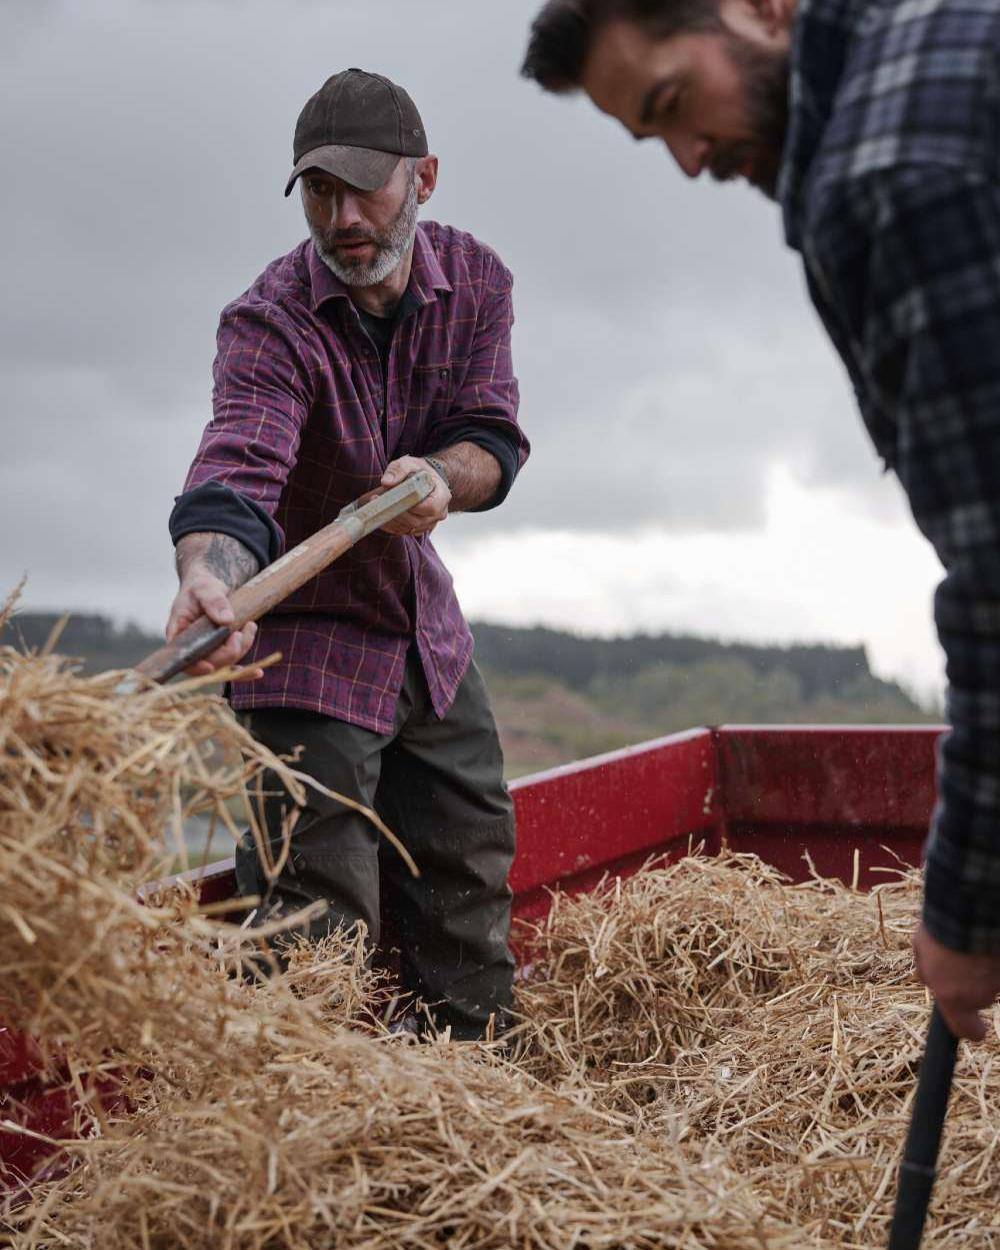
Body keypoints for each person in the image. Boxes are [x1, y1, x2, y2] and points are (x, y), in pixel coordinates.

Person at [521, 0, 1000, 1041]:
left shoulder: (885, 182)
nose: (690, 159)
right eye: (655, 140)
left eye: (672, 103)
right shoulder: (950, 30)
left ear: (758, 9)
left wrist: (965, 909)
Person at [166, 68, 529, 1040]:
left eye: (365, 186)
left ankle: (480, 1105)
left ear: (425, 178)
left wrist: (440, 478)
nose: (343, 215)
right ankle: (314, 1141)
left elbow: (493, 441)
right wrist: (211, 572)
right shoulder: (271, 320)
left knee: (468, 873)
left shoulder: (478, 283)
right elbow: (238, 467)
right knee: (313, 937)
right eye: (320, 192)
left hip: (425, 639)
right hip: (307, 653)